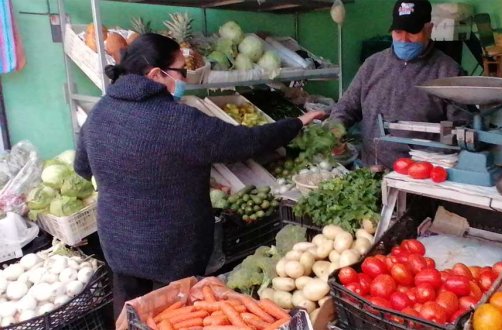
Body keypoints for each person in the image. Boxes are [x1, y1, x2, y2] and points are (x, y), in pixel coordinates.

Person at [73, 33, 324, 318]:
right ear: (157, 74)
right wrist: (296, 122)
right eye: (182, 71)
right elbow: (246, 142)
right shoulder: (178, 121)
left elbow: (82, 168)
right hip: (173, 249)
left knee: (130, 315)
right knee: (176, 317)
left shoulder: (101, 111)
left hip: (118, 243)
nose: (186, 78)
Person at [329, 0, 469, 169]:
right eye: (398, 31)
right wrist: (335, 131)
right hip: (372, 171)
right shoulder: (372, 65)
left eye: (412, 32)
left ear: (429, 29)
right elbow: (347, 106)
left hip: (420, 176)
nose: (404, 39)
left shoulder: (448, 72)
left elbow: (461, 127)